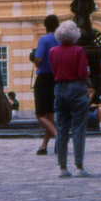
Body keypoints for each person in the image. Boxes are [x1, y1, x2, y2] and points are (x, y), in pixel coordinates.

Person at [50, 19, 91, 177]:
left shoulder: (53, 51)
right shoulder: (78, 51)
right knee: (79, 128)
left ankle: (62, 167)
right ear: (75, 35)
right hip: (77, 88)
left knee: (61, 129)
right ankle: (79, 166)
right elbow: (82, 73)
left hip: (60, 88)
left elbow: (54, 71)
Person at [32, 13, 59, 155]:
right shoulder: (61, 40)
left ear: (45, 26)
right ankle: (44, 146)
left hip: (43, 78)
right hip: (57, 78)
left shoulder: (43, 39)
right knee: (50, 114)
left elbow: (39, 60)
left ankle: (56, 134)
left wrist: (33, 57)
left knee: (40, 113)